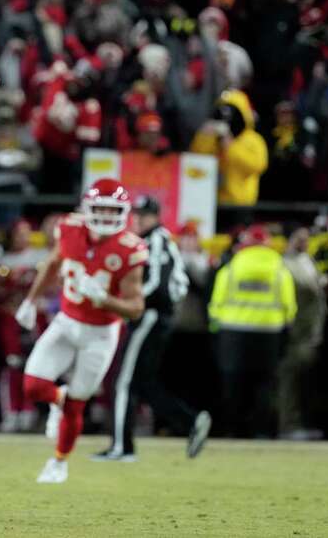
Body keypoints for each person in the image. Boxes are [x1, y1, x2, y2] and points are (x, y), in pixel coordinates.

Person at [14, 179, 148, 484]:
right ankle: (58, 399)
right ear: (86, 208)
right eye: (99, 207)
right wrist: (30, 300)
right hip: (66, 320)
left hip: (101, 333)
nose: (103, 214)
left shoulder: (130, 249)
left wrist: (104, 299)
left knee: (78, 403)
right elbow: (52, 262)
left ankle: (58, 462)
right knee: (33, 386)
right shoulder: (70, 228)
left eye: (111, 209)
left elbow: (136, 307)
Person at [94, 196, 211, 462]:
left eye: (144, 214)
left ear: (156, 217)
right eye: (137, 213)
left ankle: (121, 447)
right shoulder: (150, 240)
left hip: (150, 315)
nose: (139, 218)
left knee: (122, 381)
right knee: (142, 382)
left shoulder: (156, 239)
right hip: (151, 315)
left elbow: (158, 283)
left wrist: (126, 304)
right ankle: (190, 421)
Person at [208, 225, 296, 438]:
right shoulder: (279, 269)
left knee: (234, 384)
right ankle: (261, 431)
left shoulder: (231, 268)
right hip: (269, 333)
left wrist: (216, 326)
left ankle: (233, 431)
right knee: (264, 385)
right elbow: (289, 306)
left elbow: (216, 302)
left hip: (233, 332)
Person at [0, 219, 45, 433]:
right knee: (13, 363)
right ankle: (11, 411)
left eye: (26, 233)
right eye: (18, 233)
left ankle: (29, 409)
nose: (22, 237)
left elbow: (51, 287)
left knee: (34, 363)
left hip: (35, 317)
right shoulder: (3, 260)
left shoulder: (41, 257)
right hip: (10, 317)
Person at [278, 226, 327, 439]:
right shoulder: (283, 264)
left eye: (306, 238)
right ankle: (288, 425)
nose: (304, 242)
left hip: (311, 332)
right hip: (294, 332)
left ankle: (301, 424)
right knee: (289, 380)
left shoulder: (308, 261)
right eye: (299, 238)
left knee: (303, 381)